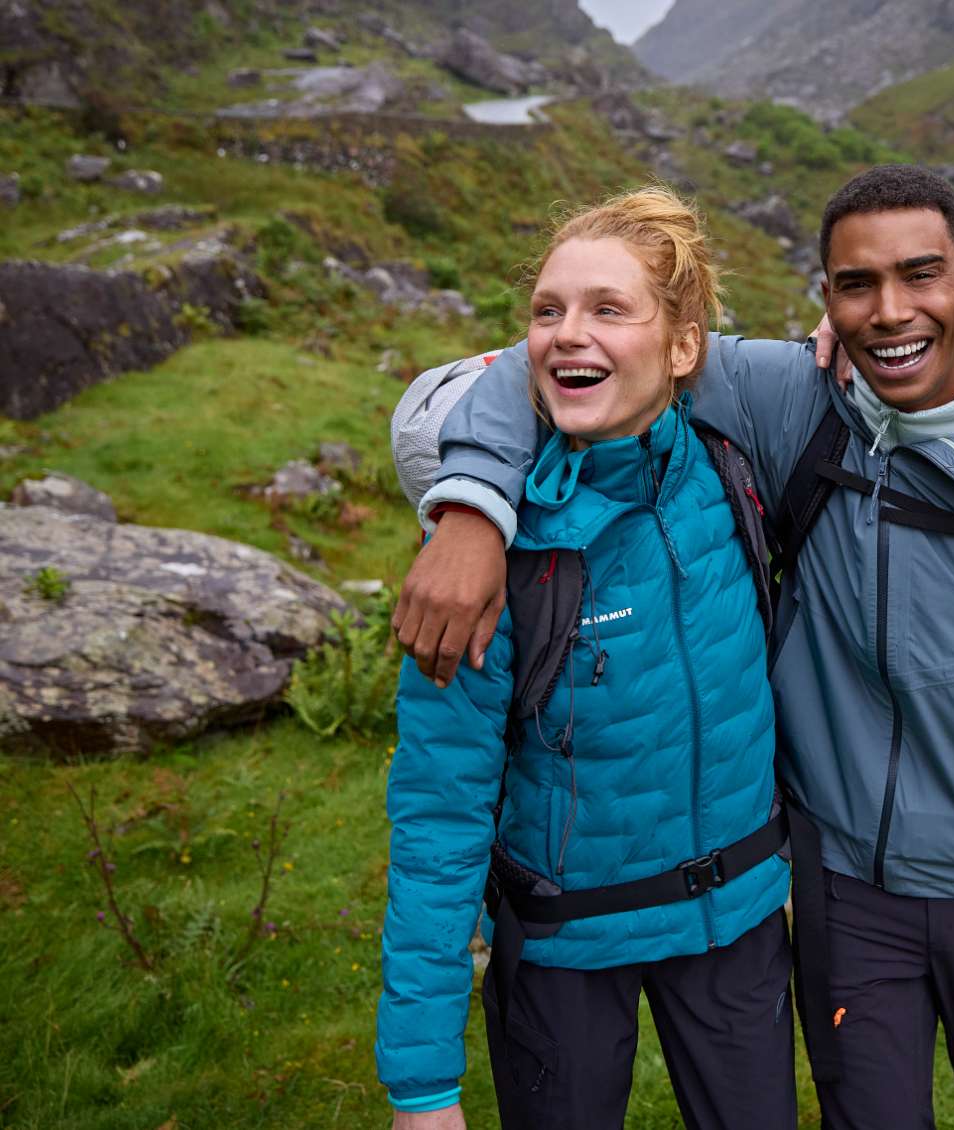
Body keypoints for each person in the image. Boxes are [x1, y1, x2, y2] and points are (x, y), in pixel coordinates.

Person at [393, 164, 954, 1129]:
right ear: (827, 298)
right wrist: (475, 511)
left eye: (921, 278)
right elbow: (546, 363)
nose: (889, 312)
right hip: (839, 875)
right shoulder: (799, 404)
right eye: (857, 286)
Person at [377, 188, 795, 1129]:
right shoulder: (481, 560)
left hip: (739, 929)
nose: (569, 334)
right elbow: (438, 819)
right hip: (560, 953)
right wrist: (422, 1085)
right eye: (548, 311)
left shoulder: (736, 468)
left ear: (683, 347)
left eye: (609, 309)